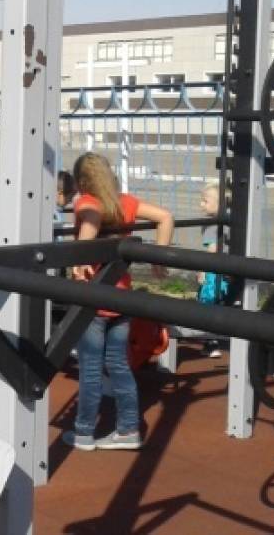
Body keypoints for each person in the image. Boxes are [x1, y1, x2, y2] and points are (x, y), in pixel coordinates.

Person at [63, 152, 174, 452]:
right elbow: (165, 216)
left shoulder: (87, 201)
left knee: (90, 368)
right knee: (119, 365)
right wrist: (158, 257)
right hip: (121, 297)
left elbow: (91, 218)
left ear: (82, 181)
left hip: (94, 299)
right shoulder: (126, 202)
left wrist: (81, 255)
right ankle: (128, 428)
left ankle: (84, 431)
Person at [197, 182, 230, 358]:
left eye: (205, 201)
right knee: (221, 301)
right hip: (227, 269)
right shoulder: (231, 221)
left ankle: (210, 342)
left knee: (207, 302)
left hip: (213, 270)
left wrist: (202, 270)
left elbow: (212, 249)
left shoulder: (211, 224)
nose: (201, 204)